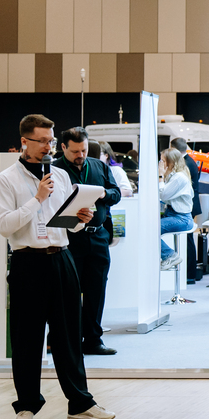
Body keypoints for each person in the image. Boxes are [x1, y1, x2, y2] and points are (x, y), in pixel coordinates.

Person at [0, 113, 114, 419]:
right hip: (27, 262)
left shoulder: (60, 176)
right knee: (27, 337)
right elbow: (4, 226)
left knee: (69, 336)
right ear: (24, 141)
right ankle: (26, 406)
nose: (49, 147)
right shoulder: (5, 180)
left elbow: (65, 223)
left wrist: (80, 219)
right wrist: (37, 199)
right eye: (42, 141)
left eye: (51, 140)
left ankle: (81, 403)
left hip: (62, 258)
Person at [54, 127, 123, 356]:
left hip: (98, 236)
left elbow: (116, 193)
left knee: (96, 289)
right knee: (68, 291)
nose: (80, 155)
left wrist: (104, 194)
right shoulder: (55, 169)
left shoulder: (99, 166)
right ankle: (64, 340)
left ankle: (93, 340)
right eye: (75, 151)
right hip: (69, 238)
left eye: (83, 150)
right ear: (63, 147)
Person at [158, 149, 194, 270]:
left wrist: (160, 176)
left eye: (163, 161)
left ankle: (170, 256)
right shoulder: (173, 176)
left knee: (152, 230)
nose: (160, 164)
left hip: (181, 218)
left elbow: (163, 195)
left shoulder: (178, 178)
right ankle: (168, 255)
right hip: (174, 215)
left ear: (171, 162)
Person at [170, 138, 203, 218]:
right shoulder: (188, 161)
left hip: (188, 204)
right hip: (189, 203)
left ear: (174, 149)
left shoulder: (185, 164)